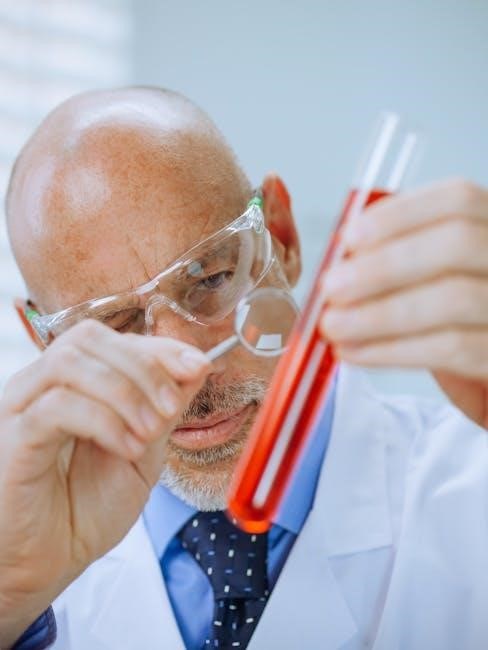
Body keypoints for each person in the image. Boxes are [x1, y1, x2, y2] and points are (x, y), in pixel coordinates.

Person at [0, 86, 486, 650]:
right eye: (115, 323)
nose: (186, 369)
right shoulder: (18, 573)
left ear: (282, 237)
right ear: (46, 342)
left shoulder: (471, 500)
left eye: (211, 279)